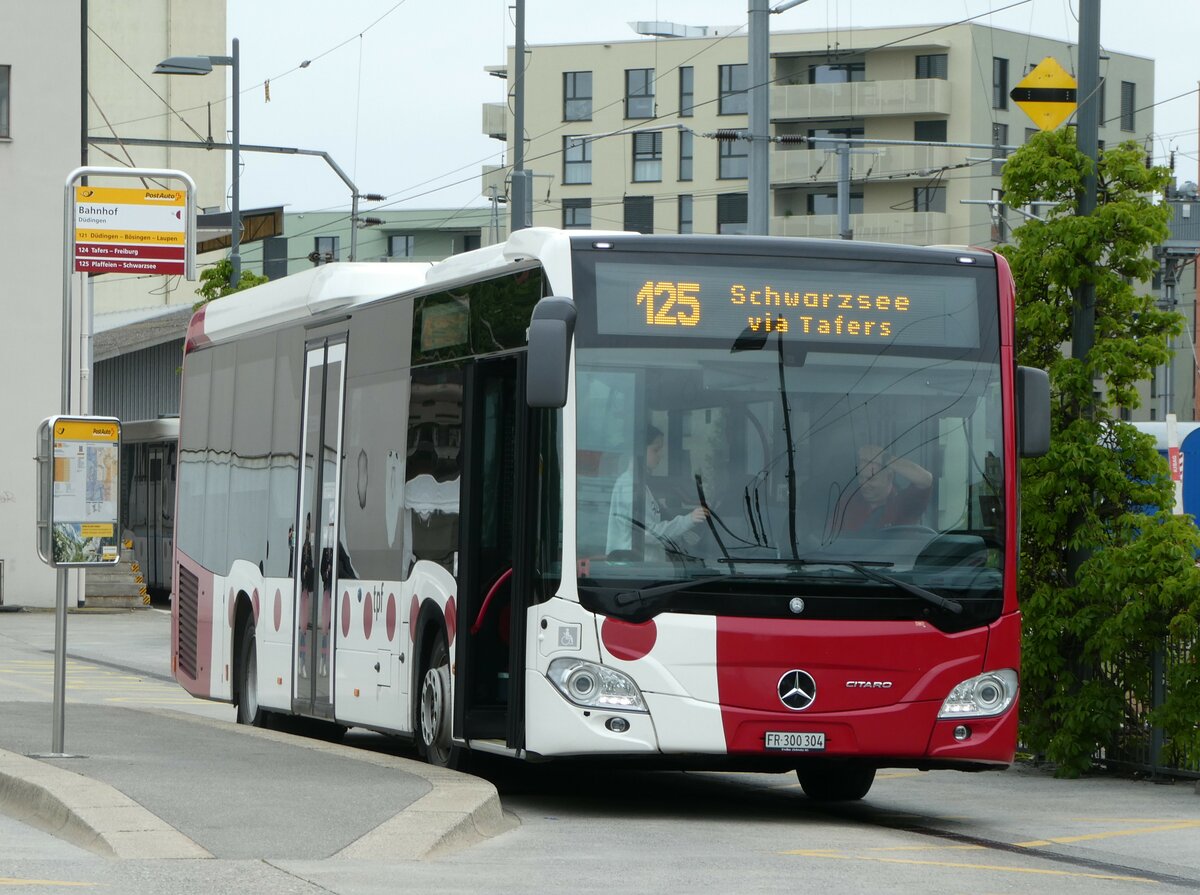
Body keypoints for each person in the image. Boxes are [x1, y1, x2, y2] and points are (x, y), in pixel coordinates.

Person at [606, 425, 709, 560]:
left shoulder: (640, 485)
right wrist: (688, 520)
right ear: (639, 451)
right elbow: (647, 533)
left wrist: (685, 532)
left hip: (647, 569)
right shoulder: (628, 487)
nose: (660, 456)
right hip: (635, 572)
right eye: (656, 450)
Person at [836, 444, 932, 532]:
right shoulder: (848, 502)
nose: (864, 485)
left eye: (871, 479)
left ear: (889, 477)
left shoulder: (905, 503)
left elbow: (925, 479)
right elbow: (830, 536)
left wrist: (884, 458)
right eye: (861, 478)